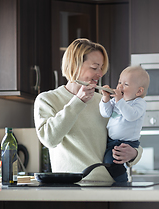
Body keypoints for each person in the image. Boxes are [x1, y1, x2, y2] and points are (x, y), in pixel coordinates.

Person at [34, 38, 143, 182]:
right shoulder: (47, 100)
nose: (100, 74)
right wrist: (78, 101)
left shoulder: (104, 101)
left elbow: (127, 132)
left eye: (101, 68)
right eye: (94, 67)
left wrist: (135, 153)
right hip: (72, 189)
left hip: (109, 186)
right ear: (75, 65)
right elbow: (49, 139)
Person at [99, 66, 149, 182]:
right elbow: (105, 113)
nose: (120, 86)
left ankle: (122, 183)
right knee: (109, 162)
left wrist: (119, 101)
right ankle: (119, 182)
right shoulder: (117, 100)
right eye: (119, 82)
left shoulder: (139, 103)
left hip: (127, 142)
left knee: (111, 162)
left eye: (126, 84)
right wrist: (105, 98)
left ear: (139, 91)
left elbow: (130, 116)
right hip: (112, 141)